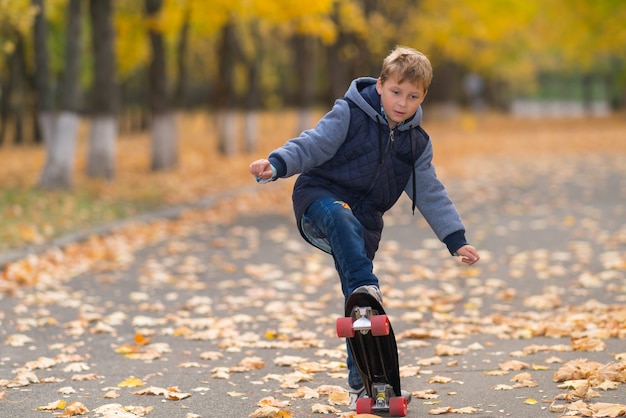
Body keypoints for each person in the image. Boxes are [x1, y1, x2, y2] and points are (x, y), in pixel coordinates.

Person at [249, 45, 480, 409]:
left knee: (360, 309)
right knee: (352, 252)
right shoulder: (349, 114)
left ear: (423, 97)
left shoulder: (416, 143)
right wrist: (278, 163)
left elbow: (432, 191)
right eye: (396, 92)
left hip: (364, 223)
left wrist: (456, 239)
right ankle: (365, 286)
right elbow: (314, 143)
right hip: (320, 199)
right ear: (381, 85)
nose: (403, 102)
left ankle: (367, 384)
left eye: (413, 96)